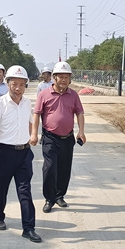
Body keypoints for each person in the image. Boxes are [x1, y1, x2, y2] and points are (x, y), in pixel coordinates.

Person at [0, 65, 41, 243]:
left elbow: (30, 121)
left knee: (25, 190)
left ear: (26, 85)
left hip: (24, 153)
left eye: (22, 84)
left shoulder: (26, 103)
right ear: (8, 84)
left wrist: (33, 135)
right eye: (14, 84)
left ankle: (29, 228)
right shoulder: (0, 104)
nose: (18, 88)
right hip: (4, 152)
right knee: (2, 187)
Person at [30, 61, 86, 214]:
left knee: (64, 168)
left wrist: (81, 131)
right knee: (50, 168)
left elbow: (80, 113)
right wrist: (34, 133)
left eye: (66, 77)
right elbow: (37, 114)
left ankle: (59, 195)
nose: (63, 80)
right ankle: (49, 199)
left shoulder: (73, 95)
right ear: (54, 78)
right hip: (50, 138)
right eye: (60, 77)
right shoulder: (44, 94)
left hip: (67, 138)